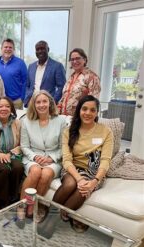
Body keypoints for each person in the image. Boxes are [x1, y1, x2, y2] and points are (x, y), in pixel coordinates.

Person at [53, 95, 113, 232]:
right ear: (79, 110)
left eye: (92, 110)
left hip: (94, 172)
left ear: (97, 113)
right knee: (69, 184)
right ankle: (57, 218)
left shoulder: (106, 131)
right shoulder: (69, 131)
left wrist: (95, 182)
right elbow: (67, 160)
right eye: (84, 109)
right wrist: (79, 178)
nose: (88, 113)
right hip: (72, 169)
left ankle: (52, 221)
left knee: (83, 190)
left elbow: (105, 160)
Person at [20, 90, 67, 222]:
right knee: (35, 172)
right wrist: (35, 157)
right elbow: (24, 146)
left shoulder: (61, 121)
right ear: (33, 105)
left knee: (46, 174)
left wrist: (51, 158)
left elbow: (64, 147)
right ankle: (22, 205)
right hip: (33, 157)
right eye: (38, 102)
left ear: (50, 103)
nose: (41, 105)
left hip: (54, 159)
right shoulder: (26, 121)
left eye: (44, 101)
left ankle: (33, 207)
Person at [58, 48, 101, 116]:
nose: (75, 61)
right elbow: (64, 97)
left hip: (80, 118)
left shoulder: (92, 77)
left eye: (77, 58)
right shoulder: (71, 77)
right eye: (72, 59)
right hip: (64, 118)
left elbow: (93, 102)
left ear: (84, 59)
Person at [24, 41, 66, 107]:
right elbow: (27, 85)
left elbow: (62, 87)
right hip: (32, 103)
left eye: (42, 48)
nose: (40, 51)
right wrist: (29, 97)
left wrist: (53, 102)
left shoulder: (57, 66)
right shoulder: (31, 66)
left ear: (48, 49)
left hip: (47, 105)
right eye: (37, 49)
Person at [0, 38, 27, 109]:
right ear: (1, 49)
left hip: (16, 102)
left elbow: (26, 82)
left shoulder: (20, 63)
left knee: (16, 120)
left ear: (13, 49)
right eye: (5, 47)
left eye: (10, 47)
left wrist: (22, 98)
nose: (8, 49)